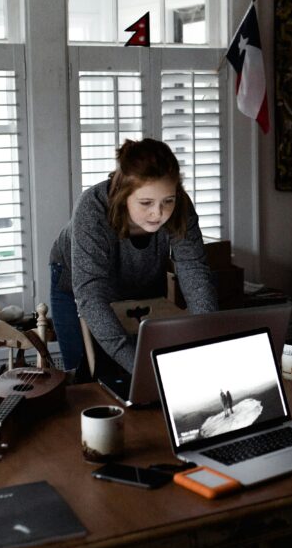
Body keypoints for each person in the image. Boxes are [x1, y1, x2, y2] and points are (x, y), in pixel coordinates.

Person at [49, 138, 217, 375]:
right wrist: (141, 369)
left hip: (141, 278)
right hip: (78, 284)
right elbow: (92, 296)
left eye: (167, 201)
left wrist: (206, 340)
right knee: (83, 376)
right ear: (122, 194)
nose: (158, 213)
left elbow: (194, 271)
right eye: (146, 202)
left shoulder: (180, 206)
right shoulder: (92, 208)